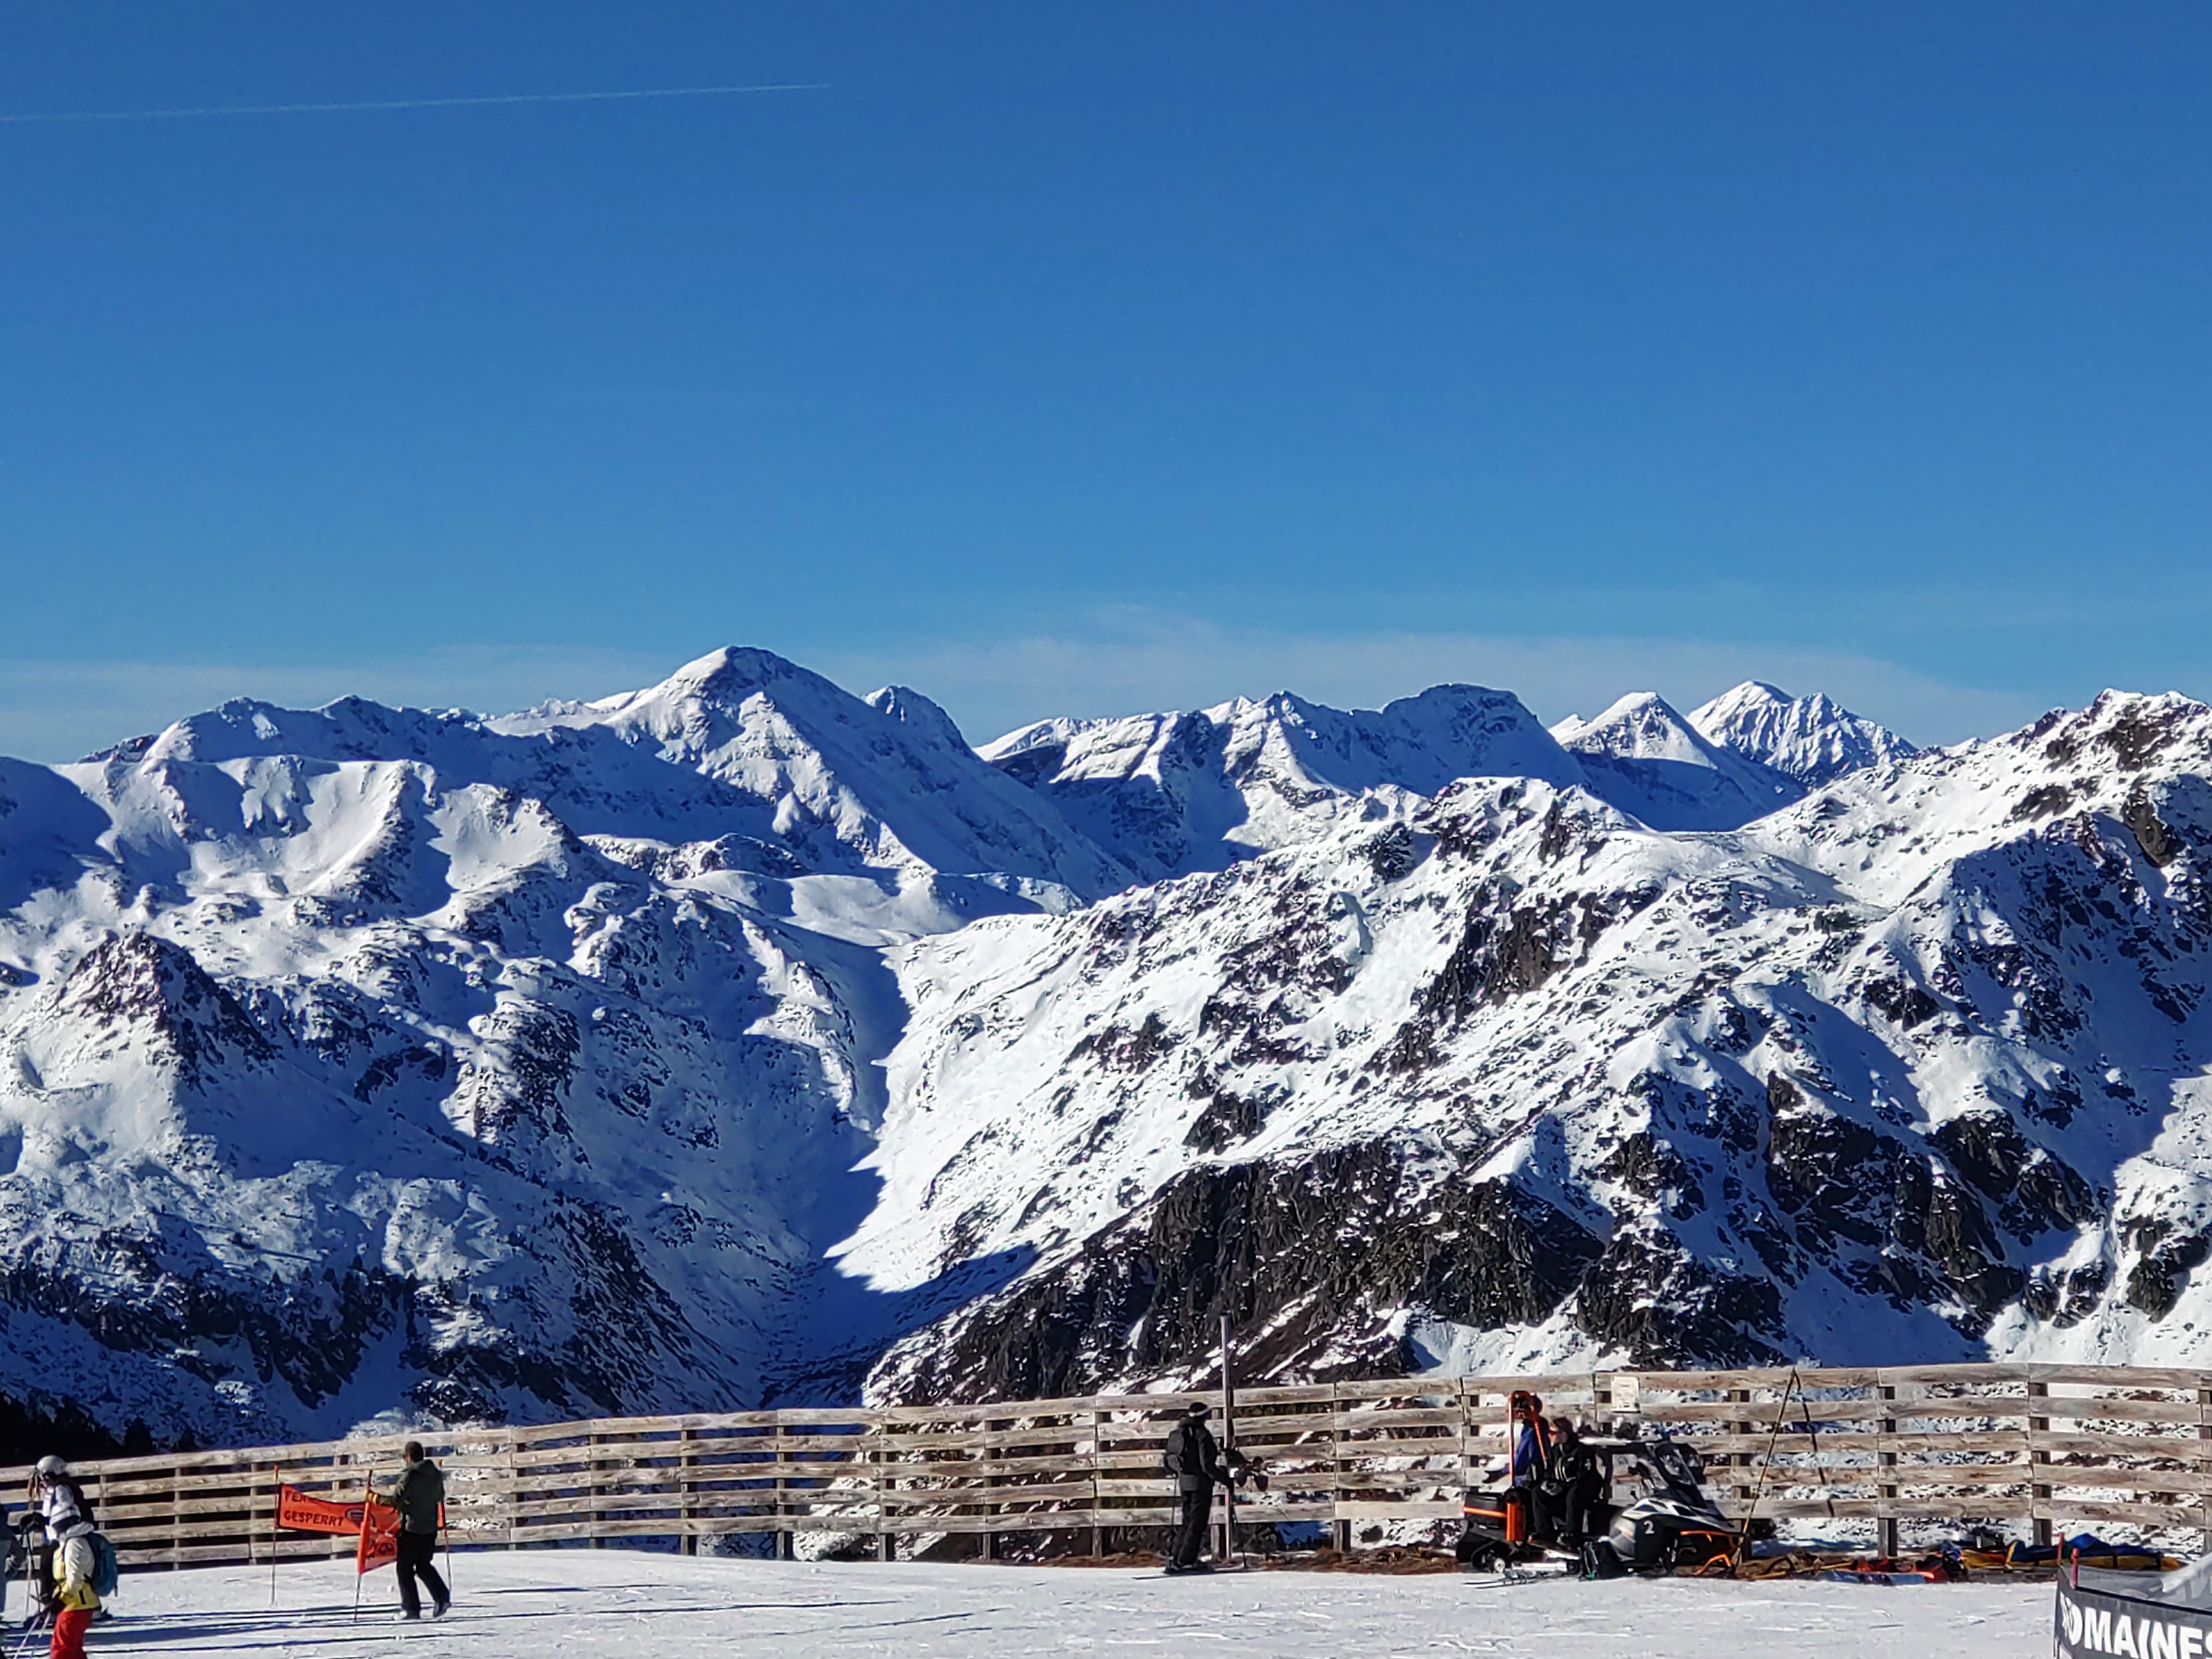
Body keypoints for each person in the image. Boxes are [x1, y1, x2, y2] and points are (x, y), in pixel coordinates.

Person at [370, 1442, 448, 1621]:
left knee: (404, 1568)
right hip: (430, 1527)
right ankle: (442, 1597)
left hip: (411, 1528)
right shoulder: (435, 1474)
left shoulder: (411, 1475)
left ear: (409, 1457)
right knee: (423, 1565)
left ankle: (411, 1608)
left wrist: (374, 1498)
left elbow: (396, 1501)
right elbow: (439, 1497)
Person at [32, 1458, 98, 1659]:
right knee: (71, 1649)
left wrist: (60, 1601)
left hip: (76, 1604)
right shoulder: (67, 1543)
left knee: (61, 1648)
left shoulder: (74, 1545)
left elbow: (75, 1579)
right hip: (75, 1602)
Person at [1161, 1404, 1237, 1575]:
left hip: (1184, 1483)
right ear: (1204, 1416)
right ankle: (1187, 1561)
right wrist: (1225, 1479)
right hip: (1200, 1485)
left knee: (1187, 1522)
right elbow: (1207, 1465)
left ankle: (1177, 1558)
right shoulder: (1202, 1435)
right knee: (1197, 1523)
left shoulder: (1180, 1432)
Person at [1536, 1418, 1605, 1546]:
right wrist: (1547, 1483)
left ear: (1563, 1434)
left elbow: (1584, 1476)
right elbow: (1549, 1471)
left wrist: (1562, 1486)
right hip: (1563, 1488)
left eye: (1553, 1433)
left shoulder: (1581, 1451)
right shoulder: (1555, 1451)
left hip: (1583, 1489)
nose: (1549, 1436)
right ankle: (1545, 1532)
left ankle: (1571, 1534)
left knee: (1575, 1493)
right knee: (1537, 1492)